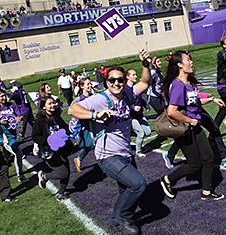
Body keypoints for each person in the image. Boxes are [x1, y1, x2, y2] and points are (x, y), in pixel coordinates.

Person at [68, 49, 151, 235]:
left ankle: (115, 220)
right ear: (107, 82)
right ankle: (124, 216)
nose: (116, 83)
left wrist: (145, 64)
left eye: (120, 79)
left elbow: (145, 82)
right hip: (107, 155)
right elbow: (72, 110)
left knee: (125, 189)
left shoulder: (128, 94)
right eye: (112, 80)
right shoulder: (100, 99)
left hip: (125, 153)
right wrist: (95, 114)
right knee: (138, 184)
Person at [160, 50, 224, 201]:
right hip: (185, 129)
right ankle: (167, 180)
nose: (192, 62)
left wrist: (213, 99)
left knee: (208, 157)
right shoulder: (177, 85)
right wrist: (190, 120)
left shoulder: (189, 83)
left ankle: (206, 192)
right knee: (194, 164)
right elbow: (172, 111)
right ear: (180, 65)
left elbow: (193, 102)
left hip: (195, 126)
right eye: (188, 60)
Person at [34, 96, 74, 201]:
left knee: (67, 172)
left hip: (61, 149)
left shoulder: (57, 118)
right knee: (63, 173)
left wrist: (72, 132)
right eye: (50, 104)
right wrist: (48, 140)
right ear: (44, 106)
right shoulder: (40, 120)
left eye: (53, 103)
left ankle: (61, 193)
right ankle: (45, 176)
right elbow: (35, 136)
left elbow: (65, 129)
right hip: (49, 151)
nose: (53, 105)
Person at [0, 89, 29, 183]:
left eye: (5, 96)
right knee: (18, 152)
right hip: (0, 136)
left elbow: (21, 116)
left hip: (11, 134)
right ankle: (21, 175)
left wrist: (19, 118)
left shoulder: (12, 105)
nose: (4, 98)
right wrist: (0, 122)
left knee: (6, 156)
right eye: (1, 96)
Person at [126, 69, 151, 158]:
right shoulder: (125, 90)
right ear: (127, 77)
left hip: (140, 115)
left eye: (136, 74)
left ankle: (130, 132)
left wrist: (146, 106)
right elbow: (124, 104)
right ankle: (138, 151)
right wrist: (133, 108)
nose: (135, 76)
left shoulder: (136, 87)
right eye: (133, 75)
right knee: (141, 133)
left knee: (148, 132)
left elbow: (140, 98)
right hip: (132, 117)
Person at [71, 77, 93, 172]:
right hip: (85, 125)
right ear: (81, 86)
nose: (90, 86)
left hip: (95, 123)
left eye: (90, 84)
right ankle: (79, 159)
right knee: (90, 145)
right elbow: (72, 111)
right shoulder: (78, 100)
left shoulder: (93, 96)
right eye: (87, 84)